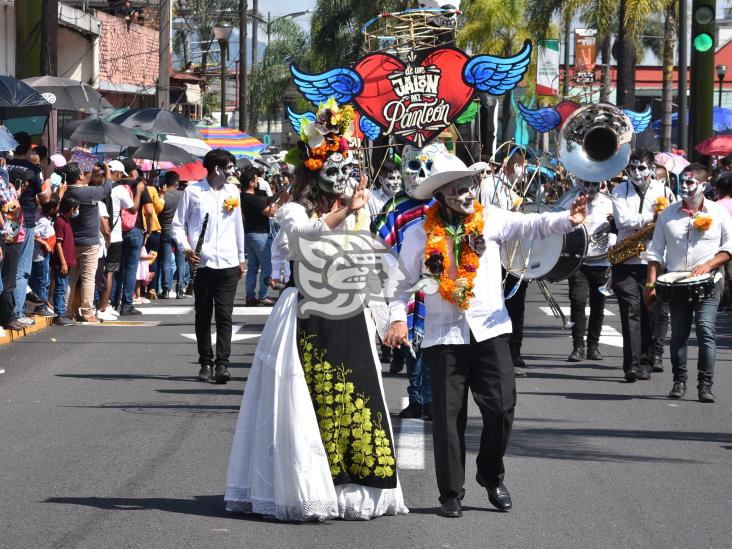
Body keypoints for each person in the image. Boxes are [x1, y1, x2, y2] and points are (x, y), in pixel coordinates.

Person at [225, 100, 408, 521]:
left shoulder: (357, 217)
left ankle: (354, 490)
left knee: (357, 398)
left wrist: (390, 318)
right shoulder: (294, 211)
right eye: (335, 167)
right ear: (313, 171)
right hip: (307, 313)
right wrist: (346, 210)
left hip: (350, 317)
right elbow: (305, 237)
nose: (344, 177)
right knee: (311, 400)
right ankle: (310, 487)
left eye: (348, 169)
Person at [385, 151, 588, 518]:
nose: (467, 194)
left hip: (491, 330)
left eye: (470, 186)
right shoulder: (419, 234)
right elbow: (399, 286)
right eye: (459, 189)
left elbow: (531, 225)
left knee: (502, 408)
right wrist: (397, 320)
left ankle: (490, 474)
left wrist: (568, 220)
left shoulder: (490, 218)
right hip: (444, 338)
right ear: (441, 195)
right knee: (448, 419)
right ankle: (450, 493)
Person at [372, 142, 450, 418]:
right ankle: (418, 398)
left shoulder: (443, 202)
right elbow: (385, 246)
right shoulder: (394, 207)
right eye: (415, 166)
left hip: (440, 282)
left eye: (428, 167)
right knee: (412, 343)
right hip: (406, 281)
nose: (421, 173)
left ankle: (432, 398)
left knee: (436, 343)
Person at [644, 163, 732, 403]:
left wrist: (709, 265)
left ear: (703, 186)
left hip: (709, 282)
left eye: (690, 182)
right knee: (680, 333)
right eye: (682, 182)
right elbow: (655, 253)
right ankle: (679, 381)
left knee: (705, 330)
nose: (684, 186)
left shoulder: (719, 212)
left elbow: (728, 248)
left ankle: (705, 385)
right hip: (676, 284)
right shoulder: (668, 214)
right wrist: (651, 286)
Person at [173, 149, 245, 384]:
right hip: (202, 264)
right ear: (217, 169)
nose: (233, 172)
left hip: (228, 261)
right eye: (229, 168)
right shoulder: (193, 192)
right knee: (203, 314)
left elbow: (238, 227)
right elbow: (177, 225)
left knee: (225, 315)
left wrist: (241, 257)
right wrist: (187, 249)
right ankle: (205, 362)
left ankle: (222, 364)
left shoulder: (233, 191)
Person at [611, 149, 670, 382]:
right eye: (633, 167)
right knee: (630, 312)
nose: (636, 172)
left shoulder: (664, 191)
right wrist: (650, 220)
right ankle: (632, 365)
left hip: (652, 261)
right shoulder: (619, 190)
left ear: (652, 169)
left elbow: (668, 221)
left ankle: (647, 359)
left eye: (642, 167)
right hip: (625, 260)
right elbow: (622, 221)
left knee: (650, 312)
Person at [566, 178, 615, 361]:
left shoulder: (609, 203)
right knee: (577, 302)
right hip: (579, 260)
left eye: (595, 184)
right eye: (587, 184)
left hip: (601, 261)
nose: (591, 188)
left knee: (598, 305)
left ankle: (593, 346)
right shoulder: (571, 201)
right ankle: (578, 346)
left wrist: (612, 239)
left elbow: (616, 228)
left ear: (600, 184)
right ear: (581, 184)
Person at [7, 133, 50, 327]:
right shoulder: (33, 169)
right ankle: (16, 311)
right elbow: (45, 199)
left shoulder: (4, 166)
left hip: (6, 220)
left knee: (6, 268)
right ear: (29, 149)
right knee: (21, 270)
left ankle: (8, 311)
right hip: (26, 221)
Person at [64, 160, 113, 322]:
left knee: (70, 278)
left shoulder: (66, 192)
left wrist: (92, 172)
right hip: (89, 242)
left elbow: (82, 183)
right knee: (88, 278)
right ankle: (87, 312)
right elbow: (106, 189)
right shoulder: (88, 192)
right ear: (79, 176)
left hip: (71, 241)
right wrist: (106, 170)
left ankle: (66, 310)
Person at [111, 158, 149, 316]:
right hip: (135, 229)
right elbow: (149, 210)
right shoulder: (139, 186)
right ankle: (127, 304)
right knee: (131, 269)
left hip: (117, 230)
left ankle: (112, 302)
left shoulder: (113, 185)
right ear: (132, 171)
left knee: (116, 269)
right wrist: (149, 229)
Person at [97, 160, 131, 320]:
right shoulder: (120, 190)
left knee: (96, 273)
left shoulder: (97, 189)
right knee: (109, 273)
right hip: (113, 236)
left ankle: (102, 304)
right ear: (117, 174)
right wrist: (138, 191)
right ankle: (103, 307)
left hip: (96, 235)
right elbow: (132, 208)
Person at [241, 164, 277, 306]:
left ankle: (250, 296)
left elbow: (266, 202)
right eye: (256, 179)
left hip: (248, 234)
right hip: (260, 235)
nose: (258, 181)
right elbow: (271, 212)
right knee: (267, 266)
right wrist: (275, 206)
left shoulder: (242, 196)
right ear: (251, 182)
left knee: (253, 268)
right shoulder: (254, 199)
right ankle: (263, 295)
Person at [0, 166, 25, 331]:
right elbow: (6, 208)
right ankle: (7, 317)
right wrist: (9, 229)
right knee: (7, 280)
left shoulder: (5, 181)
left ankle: (9, 316)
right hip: (9, 236)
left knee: (9, 279)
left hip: (12, 234)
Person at [29, 195, 59, 317]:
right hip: (40, 256)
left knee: (41, 280)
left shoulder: (40, 211)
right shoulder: (42, 221)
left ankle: (41, 304)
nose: (59, 207)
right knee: (42, 281)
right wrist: (45, 243)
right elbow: (34, 234)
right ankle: (40, 307)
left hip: (43, 255)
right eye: (57, 206)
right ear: (52, 209)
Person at [52, 194, 80, 326]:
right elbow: (58, 244)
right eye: (76, 208)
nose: (76, 211)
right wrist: (63, 262)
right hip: (61, 264)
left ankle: (61, 313)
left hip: (67, 263)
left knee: (63, 287)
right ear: (71, 208)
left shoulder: (66, 221)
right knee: (61, 288)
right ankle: (59, 315)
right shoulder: (60, 222)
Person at [157, 171, 183, 299]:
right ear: (177, 182)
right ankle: (180, 289)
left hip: (165, 228)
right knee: (181, 261)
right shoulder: (183, 195)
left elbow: (158, 211)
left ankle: (166, 289)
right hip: (180, 230)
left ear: (165, 182)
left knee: (166, 261)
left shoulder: (162, 196)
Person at [715, 172, 732, 311]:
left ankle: (720, 300)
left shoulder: (716, 206)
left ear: (718, 190)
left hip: (719, 246)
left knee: (721, 274)